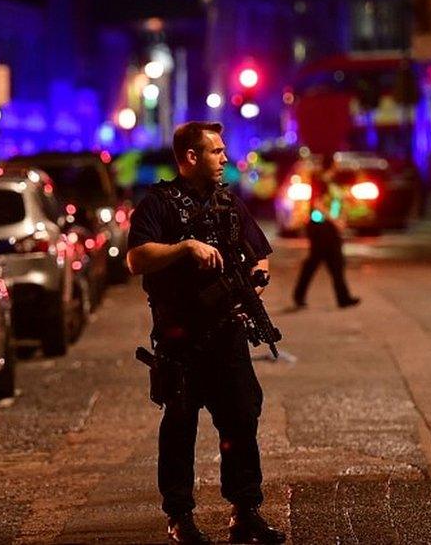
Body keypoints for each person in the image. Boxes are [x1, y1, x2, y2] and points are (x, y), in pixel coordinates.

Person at [126, 121, 286, 545]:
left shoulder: (229, 204)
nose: (225, 159)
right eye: (216, 152)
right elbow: (137, 258)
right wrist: (184, 247)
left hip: (226, 333)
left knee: (241, 419)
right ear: (191, 157)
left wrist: (255, 277)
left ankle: (245, 511)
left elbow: (261, 254)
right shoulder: (158, 205)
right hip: (180, 336)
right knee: (179, 427)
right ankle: (180, 517)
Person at [291, 159, 360, 309]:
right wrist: (335, 220)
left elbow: (336, 202)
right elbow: (318, 204)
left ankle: (343, 297)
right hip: (320, 227)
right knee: (316, 262)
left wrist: (341, 216)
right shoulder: (321, 181)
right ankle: (299, 295)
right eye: (336, 163)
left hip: (329, 227)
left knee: (336, 262)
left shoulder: (332, 182)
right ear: (331, 165)